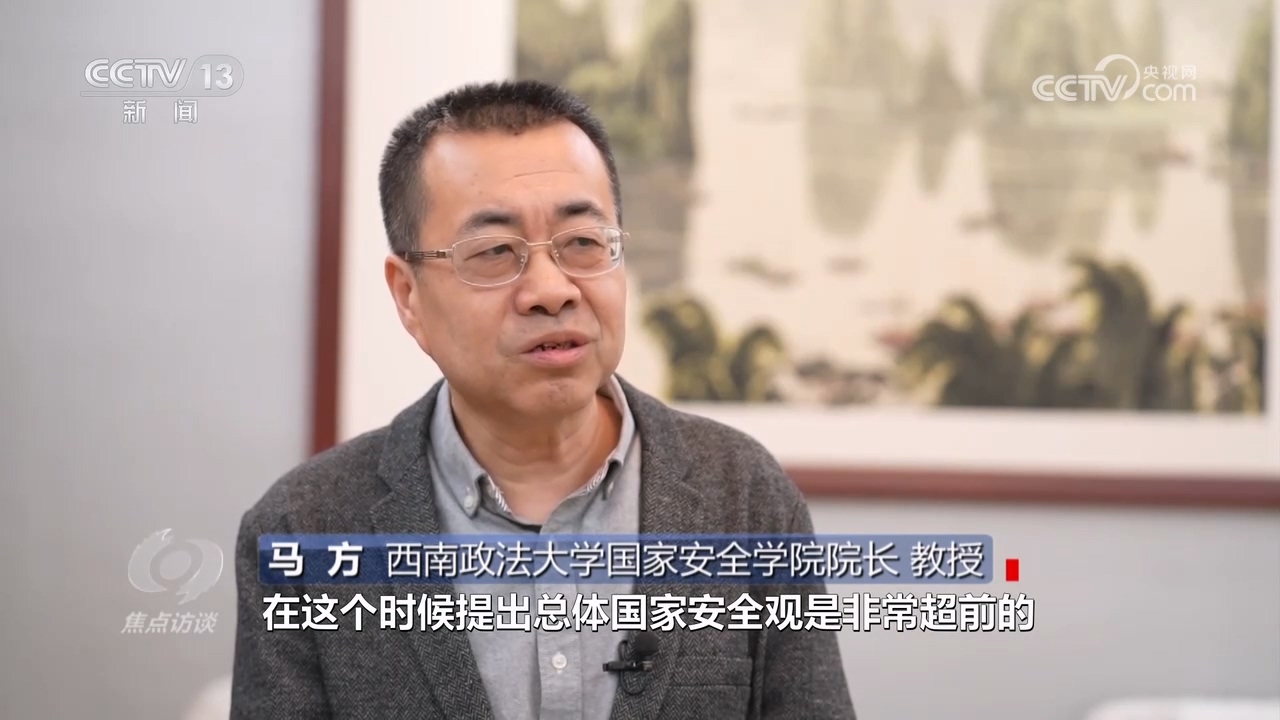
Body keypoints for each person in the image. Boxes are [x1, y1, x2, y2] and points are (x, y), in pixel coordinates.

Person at [230, 79, 855, 720]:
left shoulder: (744, 495)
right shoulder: (304, 530)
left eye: (583, 243)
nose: (552, 291)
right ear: (408, 296)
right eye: (495, 252)